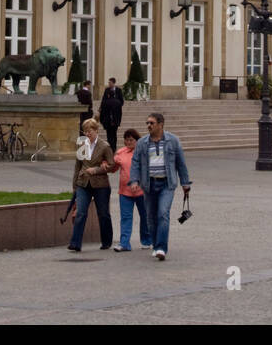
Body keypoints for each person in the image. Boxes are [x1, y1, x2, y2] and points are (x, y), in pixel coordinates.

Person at [127, 111, 191, 261]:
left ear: (160, 125)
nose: (148, 126)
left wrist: (185, 183)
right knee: (151, 217)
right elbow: (135, 163)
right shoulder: (142, 143)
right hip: (149, 184)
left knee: (162, 213)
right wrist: (134, 181)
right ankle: (156, 246)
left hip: (166, 184)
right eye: (147, 123)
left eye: (152, 123)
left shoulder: (173, 141)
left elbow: (180, 163)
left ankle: (162, 247)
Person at [68, 118, 116, 252]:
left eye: (90, 131)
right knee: (81, 213)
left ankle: (106, 241)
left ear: (96, 130)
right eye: (85, 131)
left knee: (103, 214)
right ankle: (75, 243)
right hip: (83, 183)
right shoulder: (82, 144)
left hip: (100, 184)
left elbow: (112, 165)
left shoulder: (105, 146)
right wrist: (74, 185)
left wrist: (97, 170)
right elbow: (78, 165)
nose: (87, 134)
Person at [111, 128, 151, 251]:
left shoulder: (143, 152)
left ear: (137, 141)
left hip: (141, 191)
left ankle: (146, 240)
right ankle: (124, 243)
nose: (129, 142)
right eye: (126, 140)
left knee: (145, 216)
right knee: (126, 217)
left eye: (131, 140)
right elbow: (113, 168)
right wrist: (105, 165)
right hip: (125, 191)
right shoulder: (121, 152)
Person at [99, 80, 124, 149]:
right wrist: (119, 121)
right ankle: (114, 147)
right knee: (114, 134)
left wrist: (102, 121)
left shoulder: (106, 102)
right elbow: (120, 113)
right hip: (115, 120)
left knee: (109, 135)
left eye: (110, 82)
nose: (109, 84)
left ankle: (110, 147)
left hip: (108, 120)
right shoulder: (117, 102)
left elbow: (103, 113)